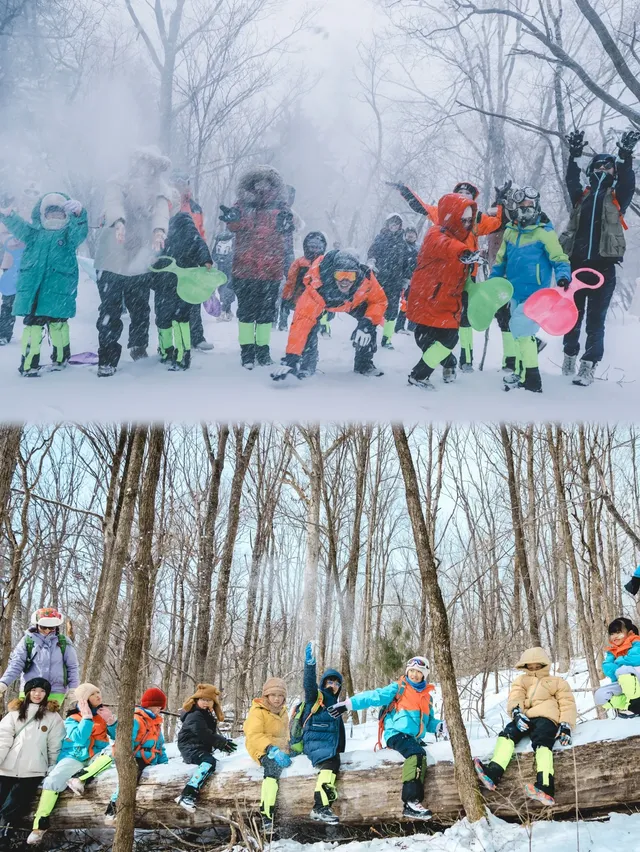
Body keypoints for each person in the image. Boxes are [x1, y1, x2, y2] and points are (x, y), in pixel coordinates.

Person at [392, 179, 504, 370]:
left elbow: (496, 223)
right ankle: (443, 356)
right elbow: (422, 207)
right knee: (439, 320)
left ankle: (465, 358)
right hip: (444, 276)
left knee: (464, 319)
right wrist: (406, 191)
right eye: (459, 192)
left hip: (468, 276)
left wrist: (500, 202)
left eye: (467, 194)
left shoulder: (476, 219)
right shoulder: (444, 214)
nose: (463, 195)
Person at [560, 129, 638, 386]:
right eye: (599, 165)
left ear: (614, 172)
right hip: (577, 264)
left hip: (604, 267)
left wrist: (625, 156)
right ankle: (569, 355)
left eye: (609, 166)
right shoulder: (581, 196)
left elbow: (628, 182)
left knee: (596, 318)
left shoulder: (617, 198)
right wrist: (574, 156)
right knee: (572, 315)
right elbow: (570, 180)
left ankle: (589, 364)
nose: (603, 169)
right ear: (591, 169)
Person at [328, 656, 443, 821]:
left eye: (419, 672)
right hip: (395, 733)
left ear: (425, 675)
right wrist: (347, 705)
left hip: (413, 737)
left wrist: (439, 726)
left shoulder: (427, 698)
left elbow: (429, 721)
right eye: (412, 671)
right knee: (417, 754)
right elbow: (373, 696)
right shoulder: (398, 688)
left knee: (421, 752)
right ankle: (410, 801)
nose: (414, 675)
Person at [94, 146, 172, 377]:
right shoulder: (117, 183)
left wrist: (159, 230)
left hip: (139, 260)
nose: (145, 170)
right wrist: (118, 222)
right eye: (142, 164)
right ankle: (107, 357)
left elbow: (161, 213)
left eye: (151, 166)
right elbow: (113, 203)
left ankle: (138, 346)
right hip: (111, 260)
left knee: (139, 308)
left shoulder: (159, 190)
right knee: (110, 310)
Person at [491, 187, 571, 393]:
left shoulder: (544, 232)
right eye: (521, 206)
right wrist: (493, 283)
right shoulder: (510, 231)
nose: (525, 210)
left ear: (536, 207)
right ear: (515, 208)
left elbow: (559, 258)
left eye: (529, 206)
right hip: (515, 291)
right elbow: (500, 261)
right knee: (520, 334)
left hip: (537, 294)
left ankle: (533, 380)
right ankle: (521, 372)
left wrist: (563, 276)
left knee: (520, 328)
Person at [473, 647, 577, 806]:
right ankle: (493, 772)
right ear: (525, 666)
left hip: (546, 717)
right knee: (507, 734)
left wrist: (565, 725)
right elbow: (516, 696)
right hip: (525, 717)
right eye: (530, 666)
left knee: (543, 743)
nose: (534, 669)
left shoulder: (557, 682)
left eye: (538, 666)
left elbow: (567, 703)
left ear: (545, 665)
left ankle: (545, 785)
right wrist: (516, 712)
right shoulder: (521, 681)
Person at [0, 192, 87, 376]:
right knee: (32, 327)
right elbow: (19, 227)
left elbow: (80, 231)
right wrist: (9, 216)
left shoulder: (68, 235)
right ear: (43, 215)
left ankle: (61, 358)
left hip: (58, 291)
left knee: (58, 326)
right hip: (35, 292)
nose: (54, 218)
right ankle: (29, 363)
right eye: (50, 214)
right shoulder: (34, 233)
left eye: (59, 214)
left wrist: (79, 215)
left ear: (65, 216)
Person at [272, 249, 387, 382]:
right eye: (340, 275)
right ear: (333, 273)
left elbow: (379, 301)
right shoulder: (317, 286)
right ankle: (307, 364)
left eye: (350, 276)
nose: (345, 281)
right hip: (324, 302)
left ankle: (364, 364)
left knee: (368, 328)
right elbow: (302, 322)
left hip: (355, 303)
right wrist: (292, 356)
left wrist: (367, 321)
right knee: (309, 328)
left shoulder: (366, 279)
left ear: (357, 274)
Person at [220, 165, 293, 369]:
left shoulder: (281, 207)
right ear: (251, 185)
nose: (262, 187)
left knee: (265, 315)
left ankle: (262, 350)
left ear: (273, 185)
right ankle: (247, 352)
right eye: (258, 183)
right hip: (245, 269)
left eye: (266, 183)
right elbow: (234, 226)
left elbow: (288, 233)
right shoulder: (242, 205)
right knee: (245, 313)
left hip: (271, 271)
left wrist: (288, 225)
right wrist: (231, 220)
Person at [406, 193, 481, 390]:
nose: (465, 224)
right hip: (427, 298)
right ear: (451, 217)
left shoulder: (467, 238)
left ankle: (419, 375)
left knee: (448, 339)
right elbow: (445, 246)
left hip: (450, 301)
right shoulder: (435, 234)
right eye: (462, 219)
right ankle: (448, 363)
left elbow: (466, 267)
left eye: (468, 220)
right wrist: (464, 253)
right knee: (424, 340)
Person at [27, 682, 117, 845]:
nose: (98, 696)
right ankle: (39, 825)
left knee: (115, 751)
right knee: (53, 780)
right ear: (84, 699)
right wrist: (87, 718)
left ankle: (80, 779)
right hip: (74, 756)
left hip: (95, 756)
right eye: (93, 694)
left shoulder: (102, 716)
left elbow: (120, 739)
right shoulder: (72, 719)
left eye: (99, 692)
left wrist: (111, 721)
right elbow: (80, 738)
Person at [0, 678, 64, 842]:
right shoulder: (14, 714)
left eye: (42, 691)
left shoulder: (53, 717)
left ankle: (5, 838)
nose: (38, 694)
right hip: (7, 768)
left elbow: (55, 745)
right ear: (27, 692)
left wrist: (53, 766)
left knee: (12, 807)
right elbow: (3, 740)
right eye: (34, 690)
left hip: (33, 771)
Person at [151, 211, 213, 371]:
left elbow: (153, 260)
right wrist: (206, 261)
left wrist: (152, 280)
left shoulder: (164, 237)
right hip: (184, 286)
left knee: (163, 320)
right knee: (182, 320)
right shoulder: (192, 236)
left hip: (164, 286)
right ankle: (183, 355)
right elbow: (202, 248)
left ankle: (166, 352)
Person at [103, 687, 168, 824]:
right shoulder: (137, 720)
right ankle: (112, 809)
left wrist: (165, 764)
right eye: (158, 706)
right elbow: (125, 741)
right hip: (136, 758)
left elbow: (160, 746)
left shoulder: (155, 723)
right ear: (151, 705)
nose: (160, 710)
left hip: (150, 759)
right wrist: (127, 760)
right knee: (131, 778)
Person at [300, 641, 344, 824]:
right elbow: (309, 685)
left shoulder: (335, 703)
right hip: (315, 742)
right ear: (323, 683)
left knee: (334, 762)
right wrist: (310, 665)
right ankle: (320, 806)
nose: (332, 685)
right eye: (329, 681)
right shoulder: (316, 696)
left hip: (326, 745)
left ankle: (326, 801)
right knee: (330, 762)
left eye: (336, 683)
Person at [174, 682, 237, 813]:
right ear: (196, 700)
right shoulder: (195, 715)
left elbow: (208, 734)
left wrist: (221, 743)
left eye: (209, 700)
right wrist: (221, 742)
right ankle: (187, 794)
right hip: (190, 748)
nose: (206, 703)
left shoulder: (205, 714)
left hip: (198, 747)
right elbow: (203, 733)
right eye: (203, 699)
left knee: (212, 762)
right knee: (209, 762)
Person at [170, 170, 214, 352]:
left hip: (192, 259)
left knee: (193, 300)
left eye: (184, 182)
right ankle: (175, 342)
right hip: (172, 258)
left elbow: (200, 233)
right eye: (178, 182)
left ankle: (197, 337)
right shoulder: (167, 204)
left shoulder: (195, 207)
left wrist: (204, 256)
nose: (182, 186)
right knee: (172, 302)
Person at [0, 608, 79, 706]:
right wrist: (4, 682)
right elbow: (16, 664)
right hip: (30, 689)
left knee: (49, 719)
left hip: (55, 691)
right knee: (26, 717)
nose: (47, 630)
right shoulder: (27, 641)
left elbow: (72, 666)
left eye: (51, 628)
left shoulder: (64, 642)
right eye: (43, 627)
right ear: (37, 625)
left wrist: (73, 688)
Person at [243, 677, 290, 833]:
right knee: (272, 768)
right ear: (266, 696)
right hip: (260, 747)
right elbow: (253, 734)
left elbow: (285, 734)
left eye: (280, 695)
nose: (277, 699)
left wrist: (290, 746)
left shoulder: (284, 712)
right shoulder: (257, 710)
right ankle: (266, 815)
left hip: (278, 748)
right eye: (273, 695)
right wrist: (271, 749)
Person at [278, 231, 327, 376]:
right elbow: (290, 281)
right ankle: (296, 358)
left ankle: (309, 362)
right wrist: (286, 298)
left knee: (312, 333)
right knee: (299, 331)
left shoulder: (325, 263)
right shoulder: (299, 263)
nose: (314, 250)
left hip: (318, 303)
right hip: (300, 303)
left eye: (317, 247)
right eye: (311, 247)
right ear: (306, 247)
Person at [366, 214, 410, 349]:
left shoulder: (402, 243)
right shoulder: (380, 238)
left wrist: (406, 279)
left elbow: (406, 262)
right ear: (387, 224)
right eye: (392, 223)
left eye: (397, 224)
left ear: (400, 226)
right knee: (374, 306)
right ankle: (369, 334)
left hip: (395, 282)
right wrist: (372, 262)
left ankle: (387, 338)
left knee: (392, 310)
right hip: (380, 279)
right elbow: (372, 253)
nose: (394, 226)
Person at [594, 618, 640, 718]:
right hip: (622, 683)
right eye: (612, 634)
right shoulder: (612, 651)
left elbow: (635, 659)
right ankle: (629, 706)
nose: (615, 636)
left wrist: (618, 661)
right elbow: (606, 667)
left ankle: (636, 704)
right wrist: (622, 664)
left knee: (623, 670)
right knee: (600, 695)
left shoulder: (636, 643)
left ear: (630, 633)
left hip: (637, 680)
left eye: (618, 632)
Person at [395, 227, 419, 335]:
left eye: (413, 233)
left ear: (416, 236)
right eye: (409, 233)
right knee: (405, 303)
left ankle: (412, 326)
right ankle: (399, 326)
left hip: (416, 280)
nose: (410, 235)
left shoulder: (418, 248)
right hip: (404, 280)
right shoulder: (402, 246)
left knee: (414, 303)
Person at [211, 232, 235, 321]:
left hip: (230, 268)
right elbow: (214, 254)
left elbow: (234, 254)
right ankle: (228, 310)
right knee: (221, 289)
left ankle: (223, 310)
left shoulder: (233, 241)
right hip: (221, 268)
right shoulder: (218, 241)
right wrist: (219, 259)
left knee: (227, 288)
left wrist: (226, 259)